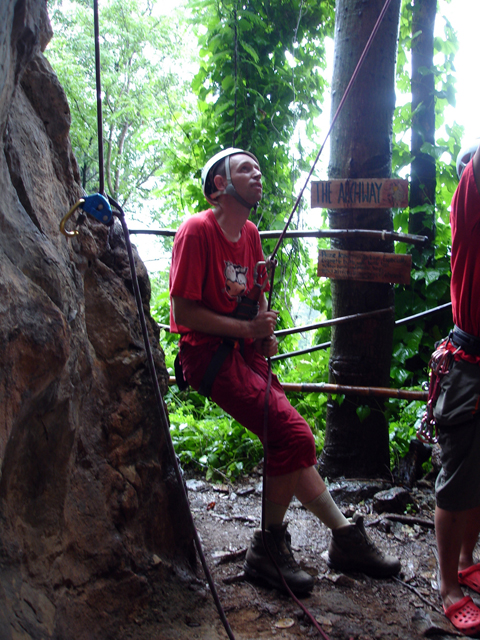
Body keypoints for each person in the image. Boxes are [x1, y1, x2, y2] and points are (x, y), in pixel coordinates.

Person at [169, 147, 400, 594]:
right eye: (245, 169)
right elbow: (183, 312)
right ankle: (268, 549)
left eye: (259, 167)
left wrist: (262, 332)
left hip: (245, 353)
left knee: (291, 441)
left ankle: (343, 536)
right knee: (293, 435)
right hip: (207, 356)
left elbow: (257, 297)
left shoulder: (251, 234)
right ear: (219, 185)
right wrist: (246, 329)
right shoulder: (197, 231)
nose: (257, 174)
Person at [432, 139, 480, 635]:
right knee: (459, 474)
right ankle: (447, 585)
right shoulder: (468, 214)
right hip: (471, 367)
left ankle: (467, 561)